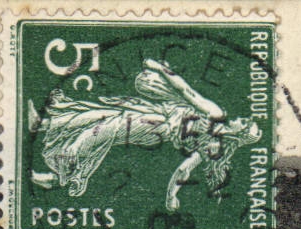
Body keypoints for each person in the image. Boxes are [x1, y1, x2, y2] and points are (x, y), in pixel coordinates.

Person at [29, 58, 263, 212]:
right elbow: (184, 169)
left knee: (105, 128)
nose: (241, 118)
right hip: (155, 114)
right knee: (101, 115)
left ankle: (59, 170)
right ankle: (43, 127)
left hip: (155, 126)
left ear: (239, 134)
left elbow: (187, 92)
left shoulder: (216, 119)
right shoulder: (215, 139)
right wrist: (171, 197)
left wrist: (160, 69)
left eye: (244, 123)